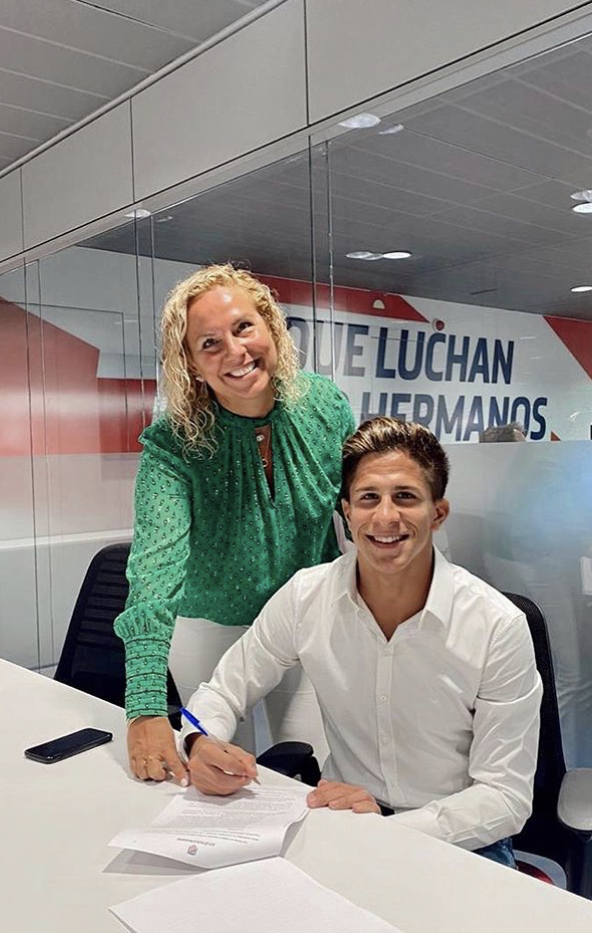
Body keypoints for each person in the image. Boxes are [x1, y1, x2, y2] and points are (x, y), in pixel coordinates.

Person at [182, 417, 542, 865]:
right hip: (343, 816)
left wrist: (386, 832)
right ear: (347, 512)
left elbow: (505, 797)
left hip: (459, 838)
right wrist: (198, 741)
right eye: (369, 497)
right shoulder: (306, 596)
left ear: (438, 513)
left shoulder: (496, 626)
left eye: (405, 497)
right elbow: (222, 691)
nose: (385, 517)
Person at [114, 264, 355, 785]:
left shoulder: (325, 407)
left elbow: (359, 516)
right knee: (217, 774)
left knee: (317, 768)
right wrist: (145, 706)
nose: (235, 352)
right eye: (210, 344)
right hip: (209, 627)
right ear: (191, 364)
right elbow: (154, 572)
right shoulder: (173, 444)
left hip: (304, 620)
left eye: (244, 327)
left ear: (270, 325)